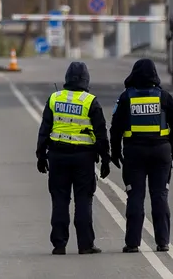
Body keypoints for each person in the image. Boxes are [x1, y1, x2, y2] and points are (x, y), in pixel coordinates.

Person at [109, 58, 173, 254]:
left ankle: (133, 243)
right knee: (160, 196)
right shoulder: (164, 97)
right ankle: (163, 242)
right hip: (161, 152)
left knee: (135, 196)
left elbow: (115, 127)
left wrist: (115, 151)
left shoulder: (126, 98)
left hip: (134, 153)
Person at [36, 61, 111, 256]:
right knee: (83, 200)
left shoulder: (54, 99)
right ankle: (85, 245)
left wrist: (40, 156)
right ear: (86, 80)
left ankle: (59, 245)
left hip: (57, 156)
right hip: (83, 158)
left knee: (59, 200)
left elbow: (44, 130)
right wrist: (105, 159)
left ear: (67, 79)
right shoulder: (90, 101)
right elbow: (101, 134)